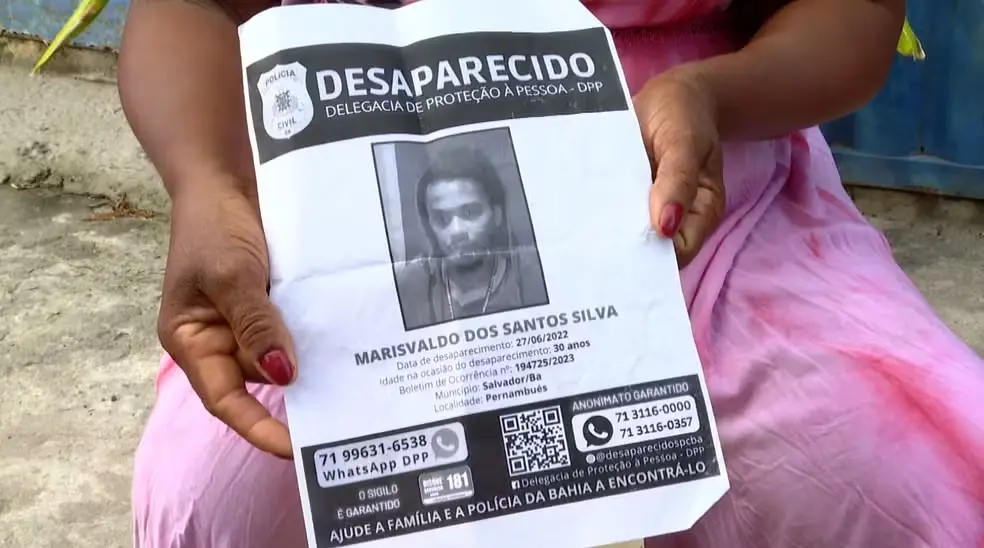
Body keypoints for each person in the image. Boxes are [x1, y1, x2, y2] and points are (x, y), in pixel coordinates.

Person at [120, 0, 984, 546]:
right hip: (348, 206)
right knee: (220, 500)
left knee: (903, 477)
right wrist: (204, 180)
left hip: (700, 190)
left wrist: (715, 94)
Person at [395, 146, 547, 329]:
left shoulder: (535, 275)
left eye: (469, 212)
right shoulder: (410, 286)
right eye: (442, 219)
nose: (457, 231)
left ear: (497, 215)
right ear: (429, 226)